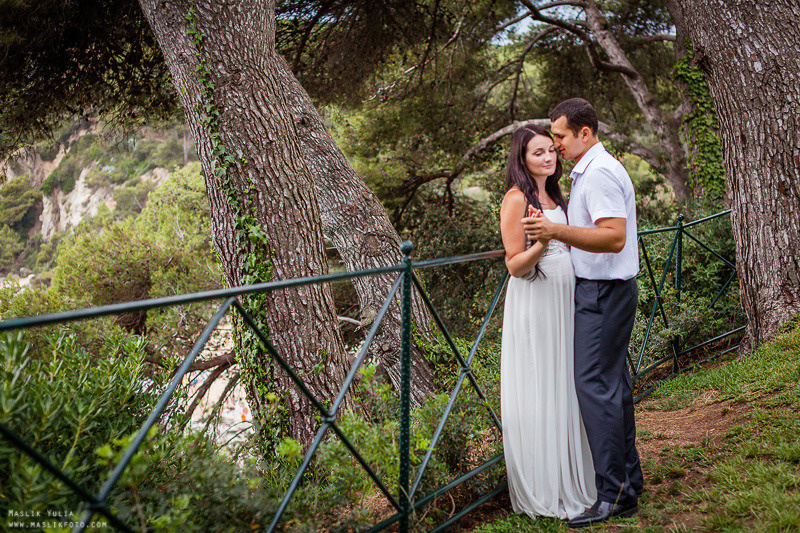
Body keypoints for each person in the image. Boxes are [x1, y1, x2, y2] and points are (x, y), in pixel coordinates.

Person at [523, 98, 643, 527]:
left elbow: (613, 237)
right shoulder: (590, 171)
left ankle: (613, 494)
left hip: (604, 293)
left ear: (584, 133)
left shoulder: (600, 174)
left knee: (594, 387)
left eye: (560, 136)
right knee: (613, 388)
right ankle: (629, 482)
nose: (555, 143)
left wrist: (554, 230)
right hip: (605, 291)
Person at [499, 124, 596, 521]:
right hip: (537, 301)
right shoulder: (516, 199)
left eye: (550, 150)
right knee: (542, 382)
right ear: (522, 159)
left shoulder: (555, 195)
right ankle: (546, 486)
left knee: (565, 381)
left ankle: (572, 472)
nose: (548, 157)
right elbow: (515, 266)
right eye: (537, 153)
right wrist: (542, 243)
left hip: (565, 301)